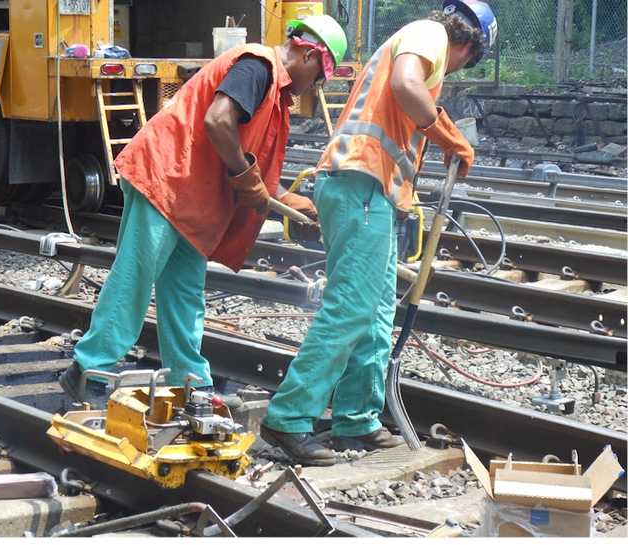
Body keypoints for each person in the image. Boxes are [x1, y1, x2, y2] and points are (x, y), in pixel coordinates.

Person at [60, 16, 348, 406]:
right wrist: (246, 176)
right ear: (310, 55)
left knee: (184, 293)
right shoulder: (258, 66)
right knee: (137, 275)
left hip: (194, 197)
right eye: (318, 77)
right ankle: (89, 369)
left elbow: (256, 167)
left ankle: (190, 382)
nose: (312, 87)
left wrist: (292, 200)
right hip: (167, 176)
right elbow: (218, 120)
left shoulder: (274, 96)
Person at [261, 0, 498, 466]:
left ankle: (357, 419)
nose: (458, 65)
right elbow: (406, 85)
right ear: (467, 45)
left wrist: (438, 138)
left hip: (372, 190)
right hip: (359, 182)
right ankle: (287, 417)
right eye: (467, 59)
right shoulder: (430, 35)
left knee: (372, 312)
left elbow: (406, 103)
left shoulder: (420, 43)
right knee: (351, 306)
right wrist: (448, 135)